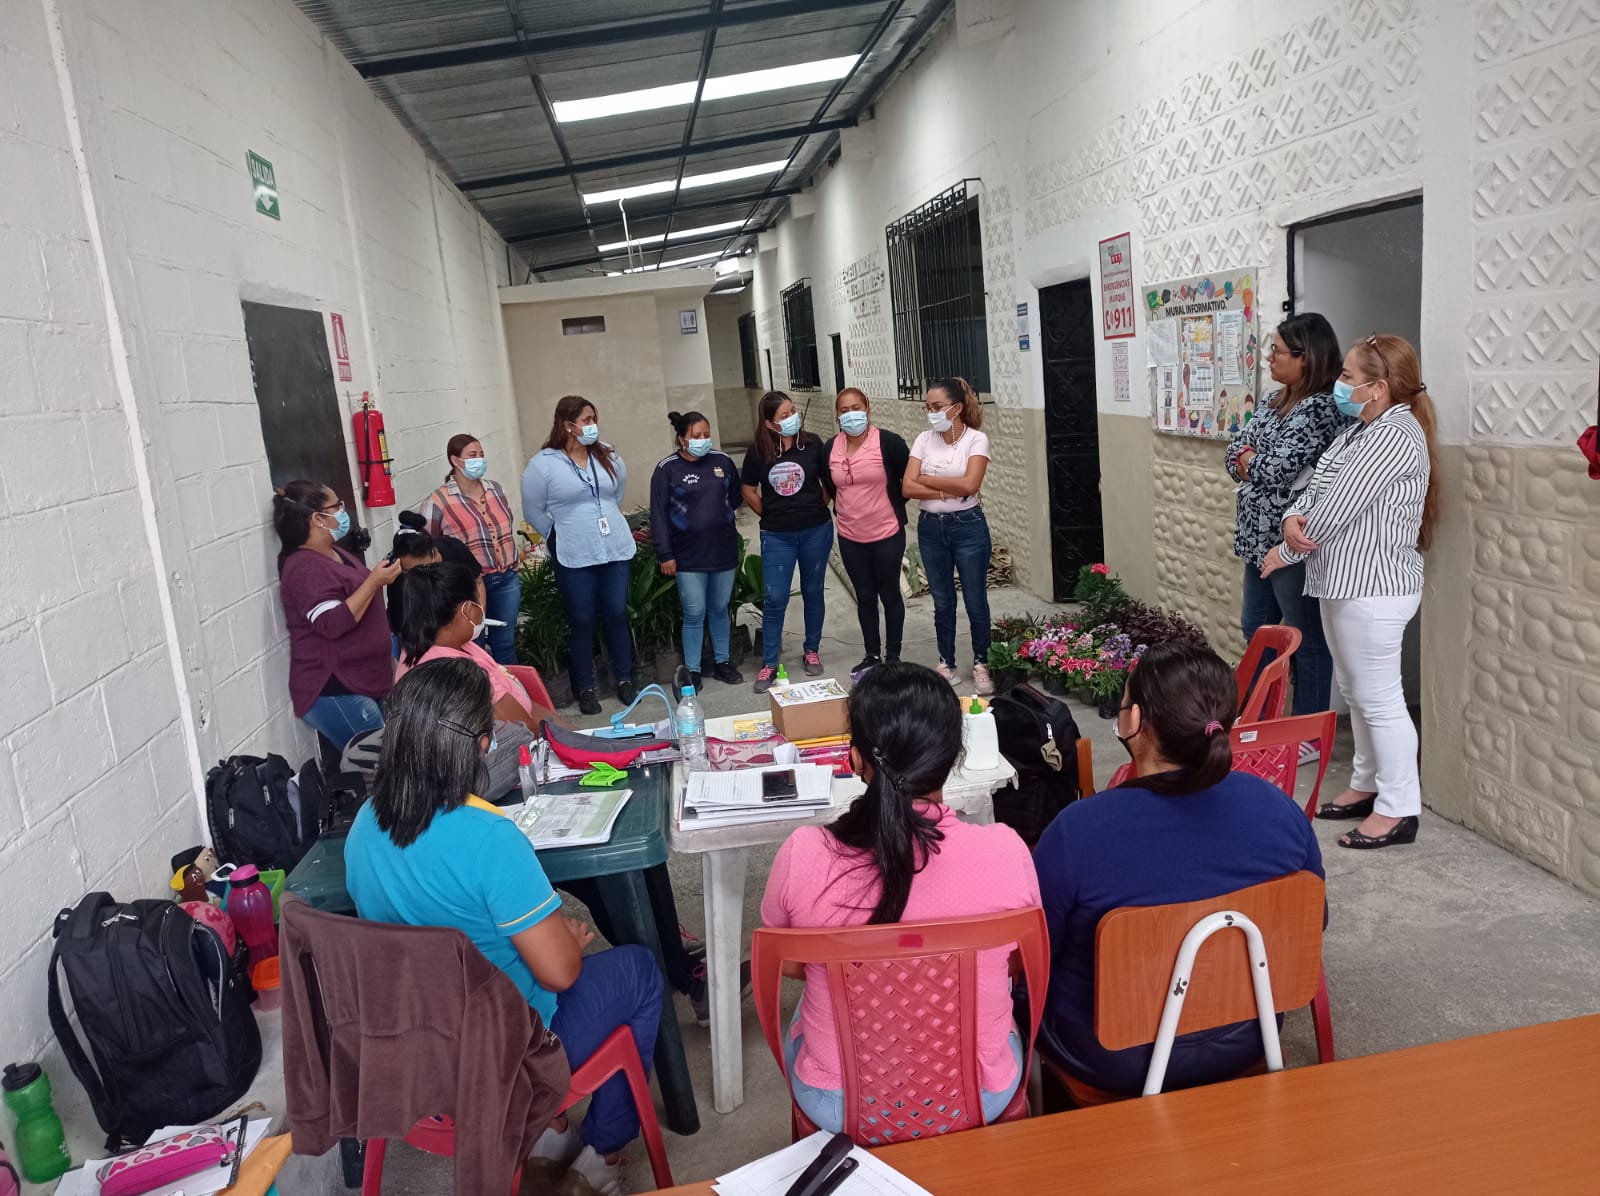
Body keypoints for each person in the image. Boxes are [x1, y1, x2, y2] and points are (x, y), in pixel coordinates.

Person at [344, 659, 662, 1196]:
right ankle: (600, 1157)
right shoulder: (490, 838)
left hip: (414, 1051)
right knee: (640, 971)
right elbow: (560, 974)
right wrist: (569, 944)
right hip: (505, 1056)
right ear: (481, 745)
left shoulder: (363, 827)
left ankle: (549, 1139)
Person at [1033, 642, 1324, 1096]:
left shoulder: (1078, 831)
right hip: (1249, 1036)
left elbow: (1033, 958)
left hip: (1111, 1058)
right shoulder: (1279, 808)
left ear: (1134, 721)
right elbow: (1312, 923)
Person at [760, 662, 1040, 1134]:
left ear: (854, 758)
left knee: (812, 1005)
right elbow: (1017, 960)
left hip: (839, 1101)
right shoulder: (1006, 851)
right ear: (953, 756)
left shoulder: (804, 853)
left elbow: (786, 962)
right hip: (979, 1093)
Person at [1263, 333, 1438, 850]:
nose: (1338, 383)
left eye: (1346, 376)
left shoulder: (1395, 435)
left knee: (1380, 700)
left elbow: (1337, 510)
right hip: (1342, 582)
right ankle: (1366, 783)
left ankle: (1398, 807)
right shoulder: (1358, 430)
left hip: (1374, 588)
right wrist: (1292, 517)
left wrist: (1285, 551)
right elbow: (1316, 489)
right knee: (1357, 693)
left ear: (1377, 387)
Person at [1224, 313, 1350, 763]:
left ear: (1305, 357)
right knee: (1257, 631)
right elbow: (1233, 452)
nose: (1269, 358)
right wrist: (1248, 459)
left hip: (1292, 546)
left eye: (1277, 351)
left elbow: (1276, 469)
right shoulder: (1273, 400)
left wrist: (1250, 460)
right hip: (1256, 538)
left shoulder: (1321, 409)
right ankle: (1260, 724)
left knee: (1305, 638)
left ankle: (1309, 735)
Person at [522, 397, 637, 716]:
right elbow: (533, 510)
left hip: (614, 548)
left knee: (617, 613)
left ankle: (625, 679)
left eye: (593, 419)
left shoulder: (608, 454)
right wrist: (557, 533)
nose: (592, 426)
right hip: (574, 553)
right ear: (567, 425)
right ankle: (585, 688)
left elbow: (617, 494)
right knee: (582, 619)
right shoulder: (544, 464)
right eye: (586, 420)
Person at [272, 481, 399, 750]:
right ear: (317, 518)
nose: (343, 511)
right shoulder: (303, 566)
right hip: (337, 687)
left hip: (367, 679)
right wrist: (373, 582)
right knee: (381, 766)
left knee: (389, 762)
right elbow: (331, 623)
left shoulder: (334, 552)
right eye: (337, 506)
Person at [903, 377, 994, 694]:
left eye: (938, 406)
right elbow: (907, 486)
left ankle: (982, 662)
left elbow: (971, 484)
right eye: (928, 407)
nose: (932, 412)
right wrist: (947, 489)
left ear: (956, 408)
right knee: (942, 601)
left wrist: (928, 479)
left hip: (968, 526)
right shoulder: (923, 440)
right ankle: (947, 663)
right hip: (930, 528)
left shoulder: (976, 440)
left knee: (975, 600)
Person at [394, 562, 561, 732]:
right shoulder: (460, 674)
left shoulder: (425, 645)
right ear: (466, 609)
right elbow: (525, 732)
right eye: (478, 599)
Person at [740, 391, 833, 693]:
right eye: (784, 415)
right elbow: (748, 490)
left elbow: (828, 483)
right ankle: (769, 663)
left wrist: (816, 507)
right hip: (777, 535)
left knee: (813, 591)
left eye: (793, 411)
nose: (792, 417)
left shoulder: (813, 444)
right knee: (775, 597)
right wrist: (769, 513)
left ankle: (811, 650)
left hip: (815, 531)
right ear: (769, 423)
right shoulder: (758, 452)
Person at [650, 411, 744, 690]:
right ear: (682, 439)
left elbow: (735, 497)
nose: (703, 440)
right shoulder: (667, 469)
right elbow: (658, 515)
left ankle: (722, 662)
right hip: (688, 555)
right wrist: (665, 554)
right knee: (694, 612)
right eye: (696, 436)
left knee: (719, 608)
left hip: (723, 550)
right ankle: (692, 670)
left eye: (706, 434)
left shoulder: (722, 461)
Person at [826, 388, 910, 676]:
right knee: (864, 596)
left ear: (868, 409)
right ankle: (872, 653)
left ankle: (893, 655)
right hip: (850, 536)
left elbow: (907, 480)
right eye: (844, 410)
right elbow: (831, 485)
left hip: (887, 533)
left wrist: (887, 506)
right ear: (837, 415)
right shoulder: (831, 448)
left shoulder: (889, 442)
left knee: (889, 593)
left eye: (856, 408)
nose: (851, 415)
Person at [419, 434, 522, 666]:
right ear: (455, 460)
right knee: (473, 645)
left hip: (505, 578)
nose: (480, 460)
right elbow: (429, 547)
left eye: (481, 454)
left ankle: (509, 685)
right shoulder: (438, 501)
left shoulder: (495, 489)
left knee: (505, 643)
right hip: (469, 586)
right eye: (472, 455)